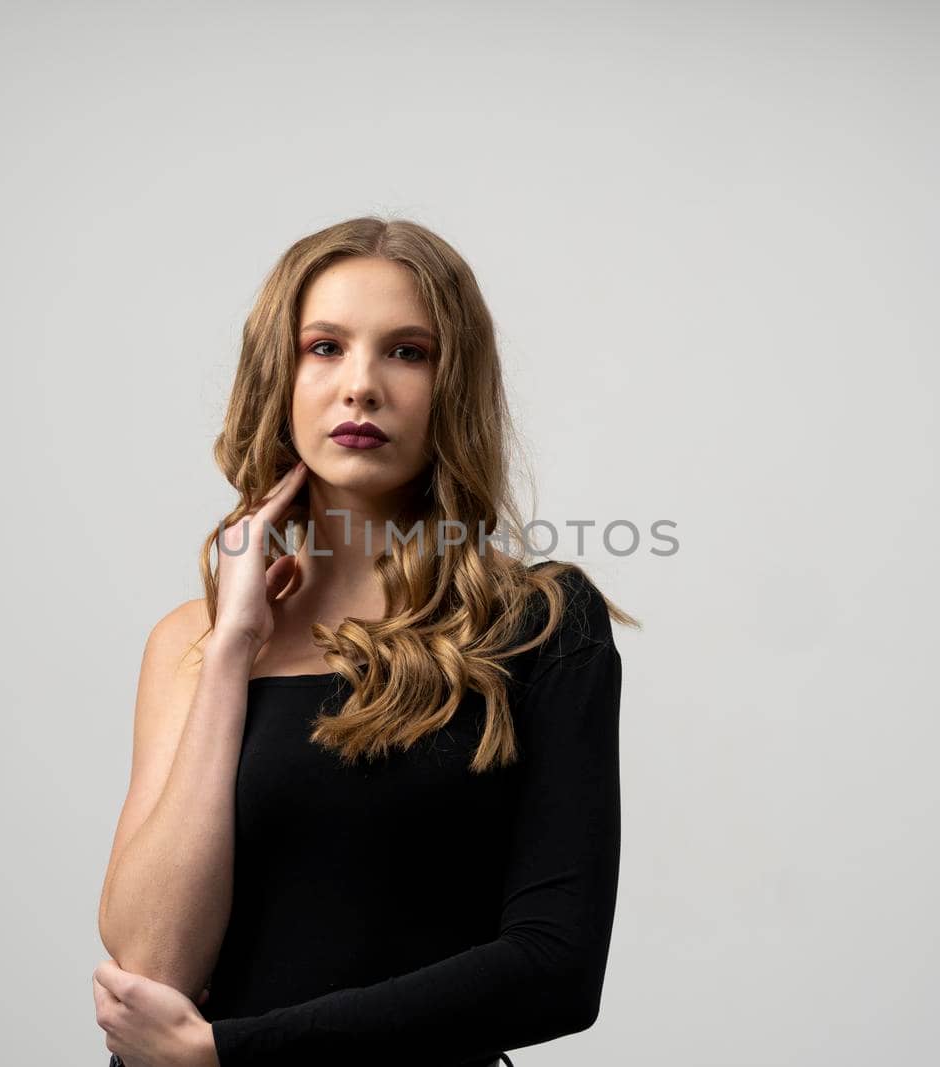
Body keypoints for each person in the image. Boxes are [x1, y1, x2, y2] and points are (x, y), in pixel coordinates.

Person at [91, 217, 636, 1067]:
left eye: (407, 352)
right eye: (325, 347)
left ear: (452, 386)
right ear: (281, 374)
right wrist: (234, 647)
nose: (361, 386)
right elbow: (155, 965)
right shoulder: (191, 641)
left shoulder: (542, 622)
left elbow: (555, 969)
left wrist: (234, 1052)